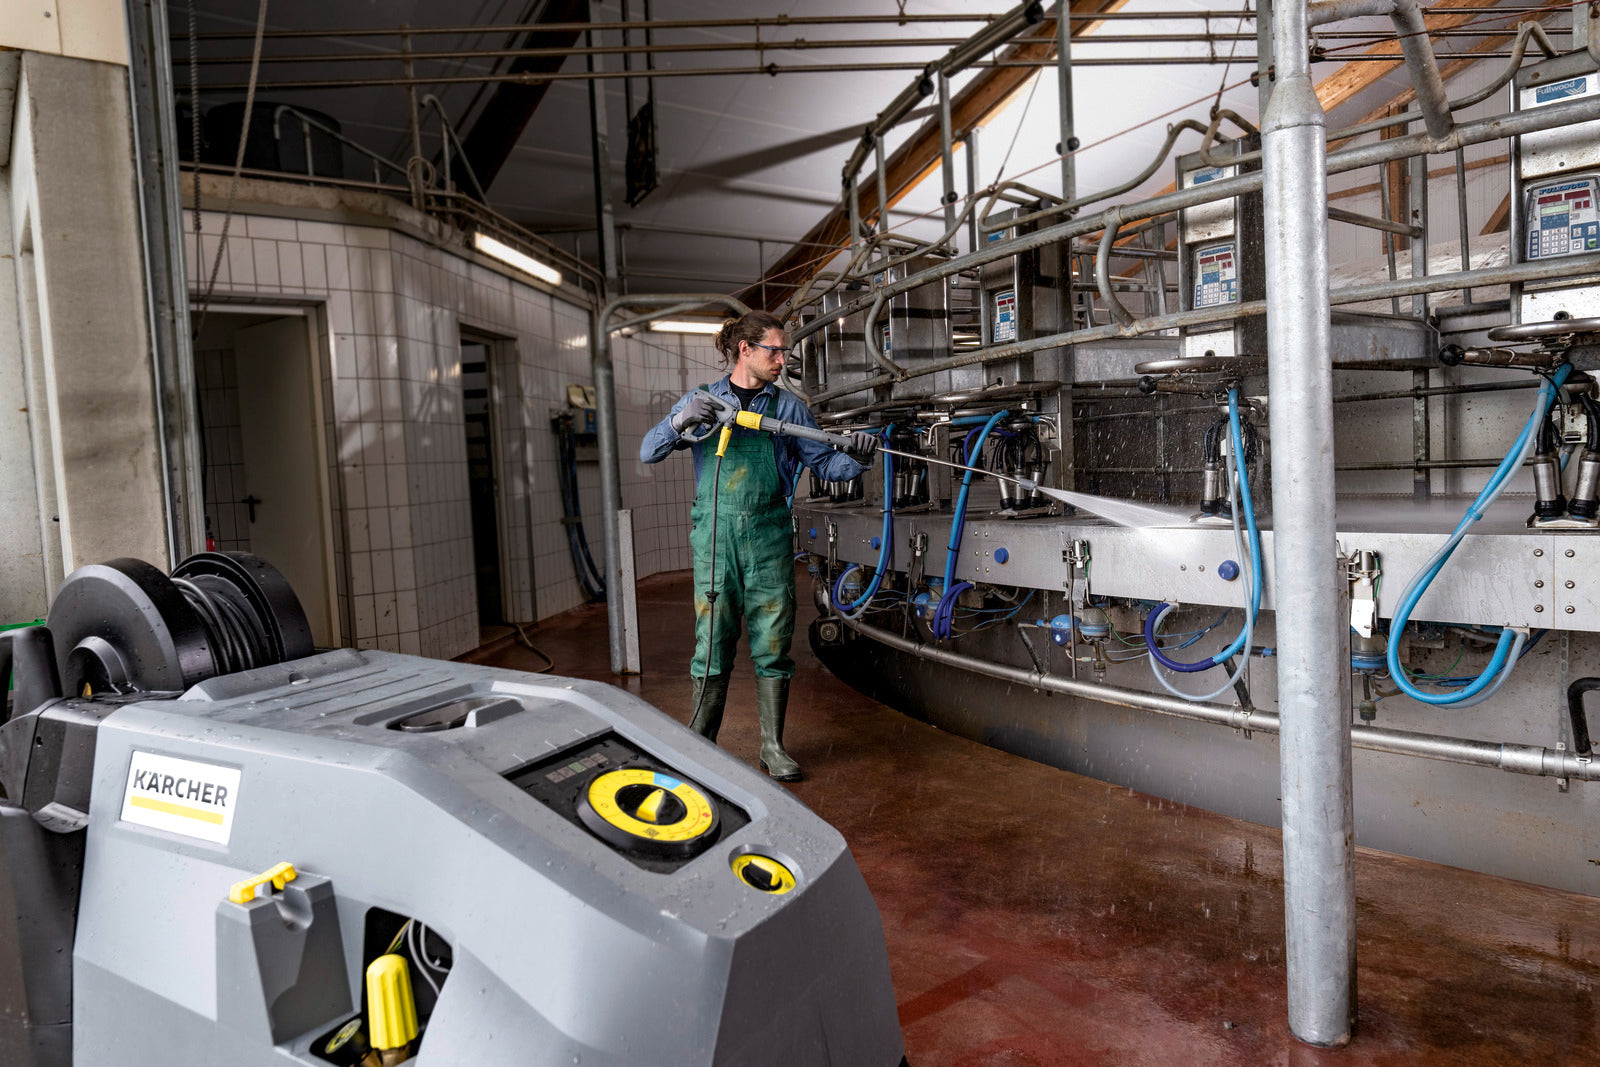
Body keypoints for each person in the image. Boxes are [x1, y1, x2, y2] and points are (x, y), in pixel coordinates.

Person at [640, 310, 878, 780]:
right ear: (745, 349)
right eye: (775, 351)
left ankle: (772, 746)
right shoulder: (703, 400)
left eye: (785, 352)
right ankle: (701, 744)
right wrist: (679, 421)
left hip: (769, 534)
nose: (782, 360)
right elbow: (649, 451)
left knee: (773, 640)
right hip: (716, 535)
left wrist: (857, 457)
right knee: (713, 641)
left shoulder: (789, 409)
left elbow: (826, 466)